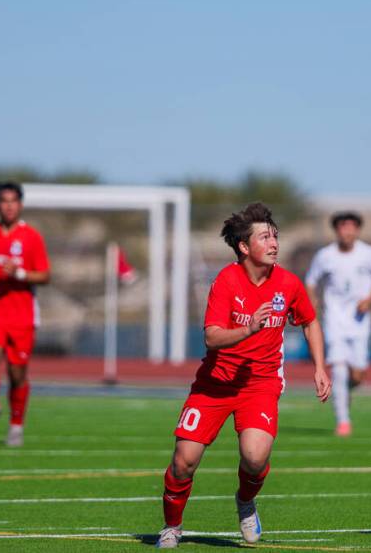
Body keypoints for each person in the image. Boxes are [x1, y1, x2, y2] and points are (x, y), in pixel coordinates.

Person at [155, 202, 331, 548]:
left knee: (255, 457)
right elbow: (212, 336)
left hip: (260, 384)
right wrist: (248, 328)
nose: (274, 243)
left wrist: (320, 367)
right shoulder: (226, 280)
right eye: (265, 237)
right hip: (214, 385)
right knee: (183, 462)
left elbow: (310, 321)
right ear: (244, 247)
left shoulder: (289, 284)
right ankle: (172, 527)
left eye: (275, 236)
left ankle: (246, 502)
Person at [0, 181, 50, 446]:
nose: (9, 206)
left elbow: (45, 275)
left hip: (22, 314)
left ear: (21, 204)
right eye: (4, 201)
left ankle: (16, 425)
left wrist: (19, 273)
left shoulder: (32, 237)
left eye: (13, 201)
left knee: (17, 374)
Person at [306, 211, 371, 437]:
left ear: (357, 230)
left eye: (351, 227)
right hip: (335, 320)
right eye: (343, 227)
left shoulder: (369, 254)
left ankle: (347, 390)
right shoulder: (325, 256)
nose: (347, 231)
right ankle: (343, 422)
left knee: (358, 375)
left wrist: (369, 299)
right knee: (340, 370)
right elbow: (311, 282)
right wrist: (312, 303)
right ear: (336, 230)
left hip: (360, 322)